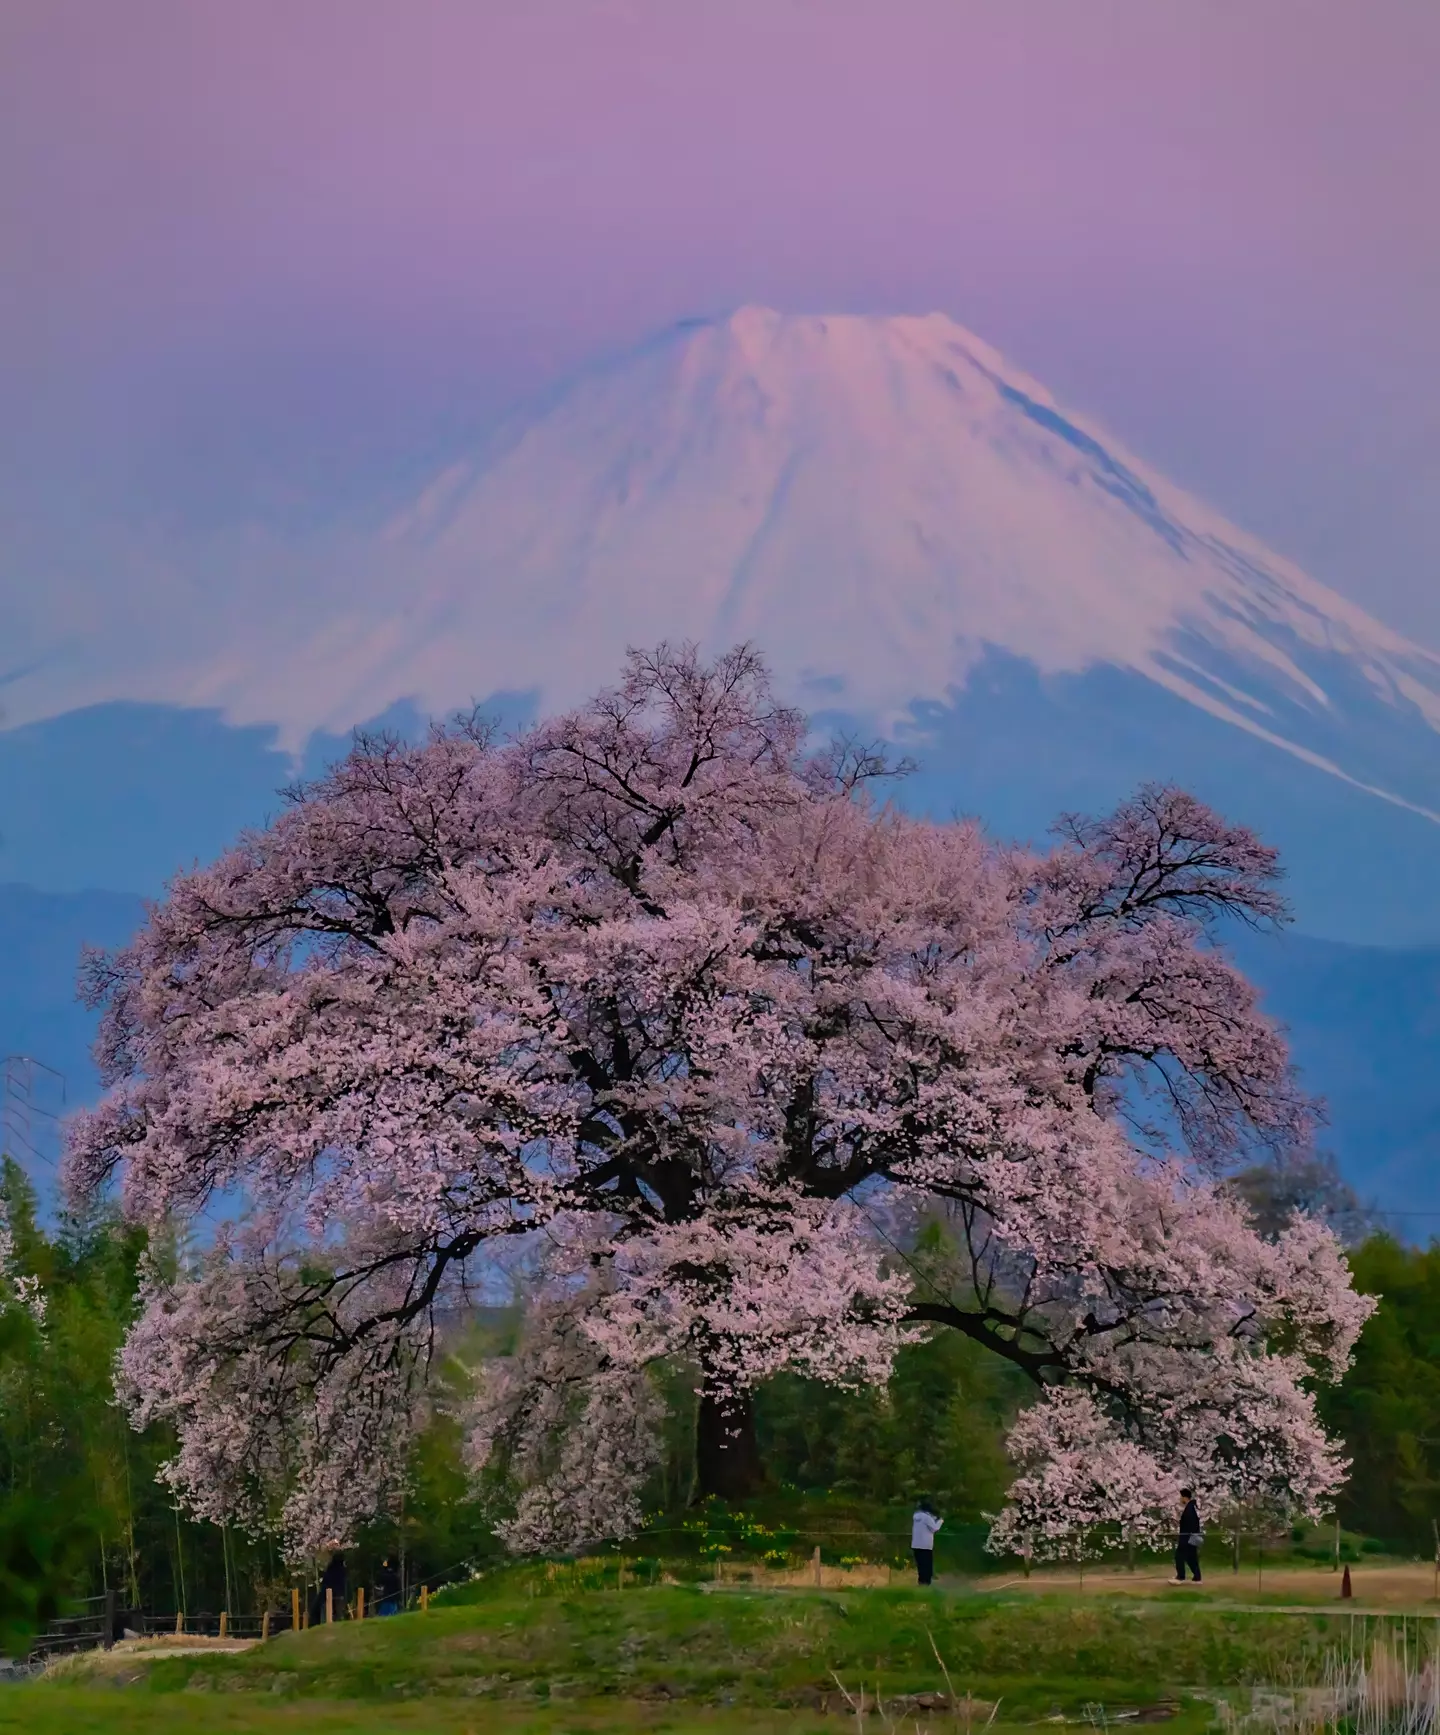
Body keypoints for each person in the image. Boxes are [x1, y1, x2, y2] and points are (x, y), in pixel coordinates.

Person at [912, 1498, 943, 1586]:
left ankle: (921, 1582)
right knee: (927, 1565)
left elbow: (927, 1520)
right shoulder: (927, 1518)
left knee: (920, 1565)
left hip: (916, 1544)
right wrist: (940, 1521)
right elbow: (935, 1528)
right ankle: (926, 1583)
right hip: (926, 1545)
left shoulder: (916, 1516)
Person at [311, 1548, 348, 1623]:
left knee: (325, 1611)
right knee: (338, 1613)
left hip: (327, 1595)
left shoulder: (331, 1569)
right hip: (338, 1595)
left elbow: (326, 1582)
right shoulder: (342, 1570)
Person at [1174, 1489, 1203, 1583]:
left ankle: (1180, 1577)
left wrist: (1186, 1538)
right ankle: (1197, 1577)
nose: (1179, 1499)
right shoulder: (1192, 1507)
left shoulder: (1190, 1509)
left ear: (1184, 1497)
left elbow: (1190, 1524)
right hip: (1192, 1537)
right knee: (1191, 1557)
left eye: (1180, 1497)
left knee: (1179, 1556)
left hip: (1187, 1537)